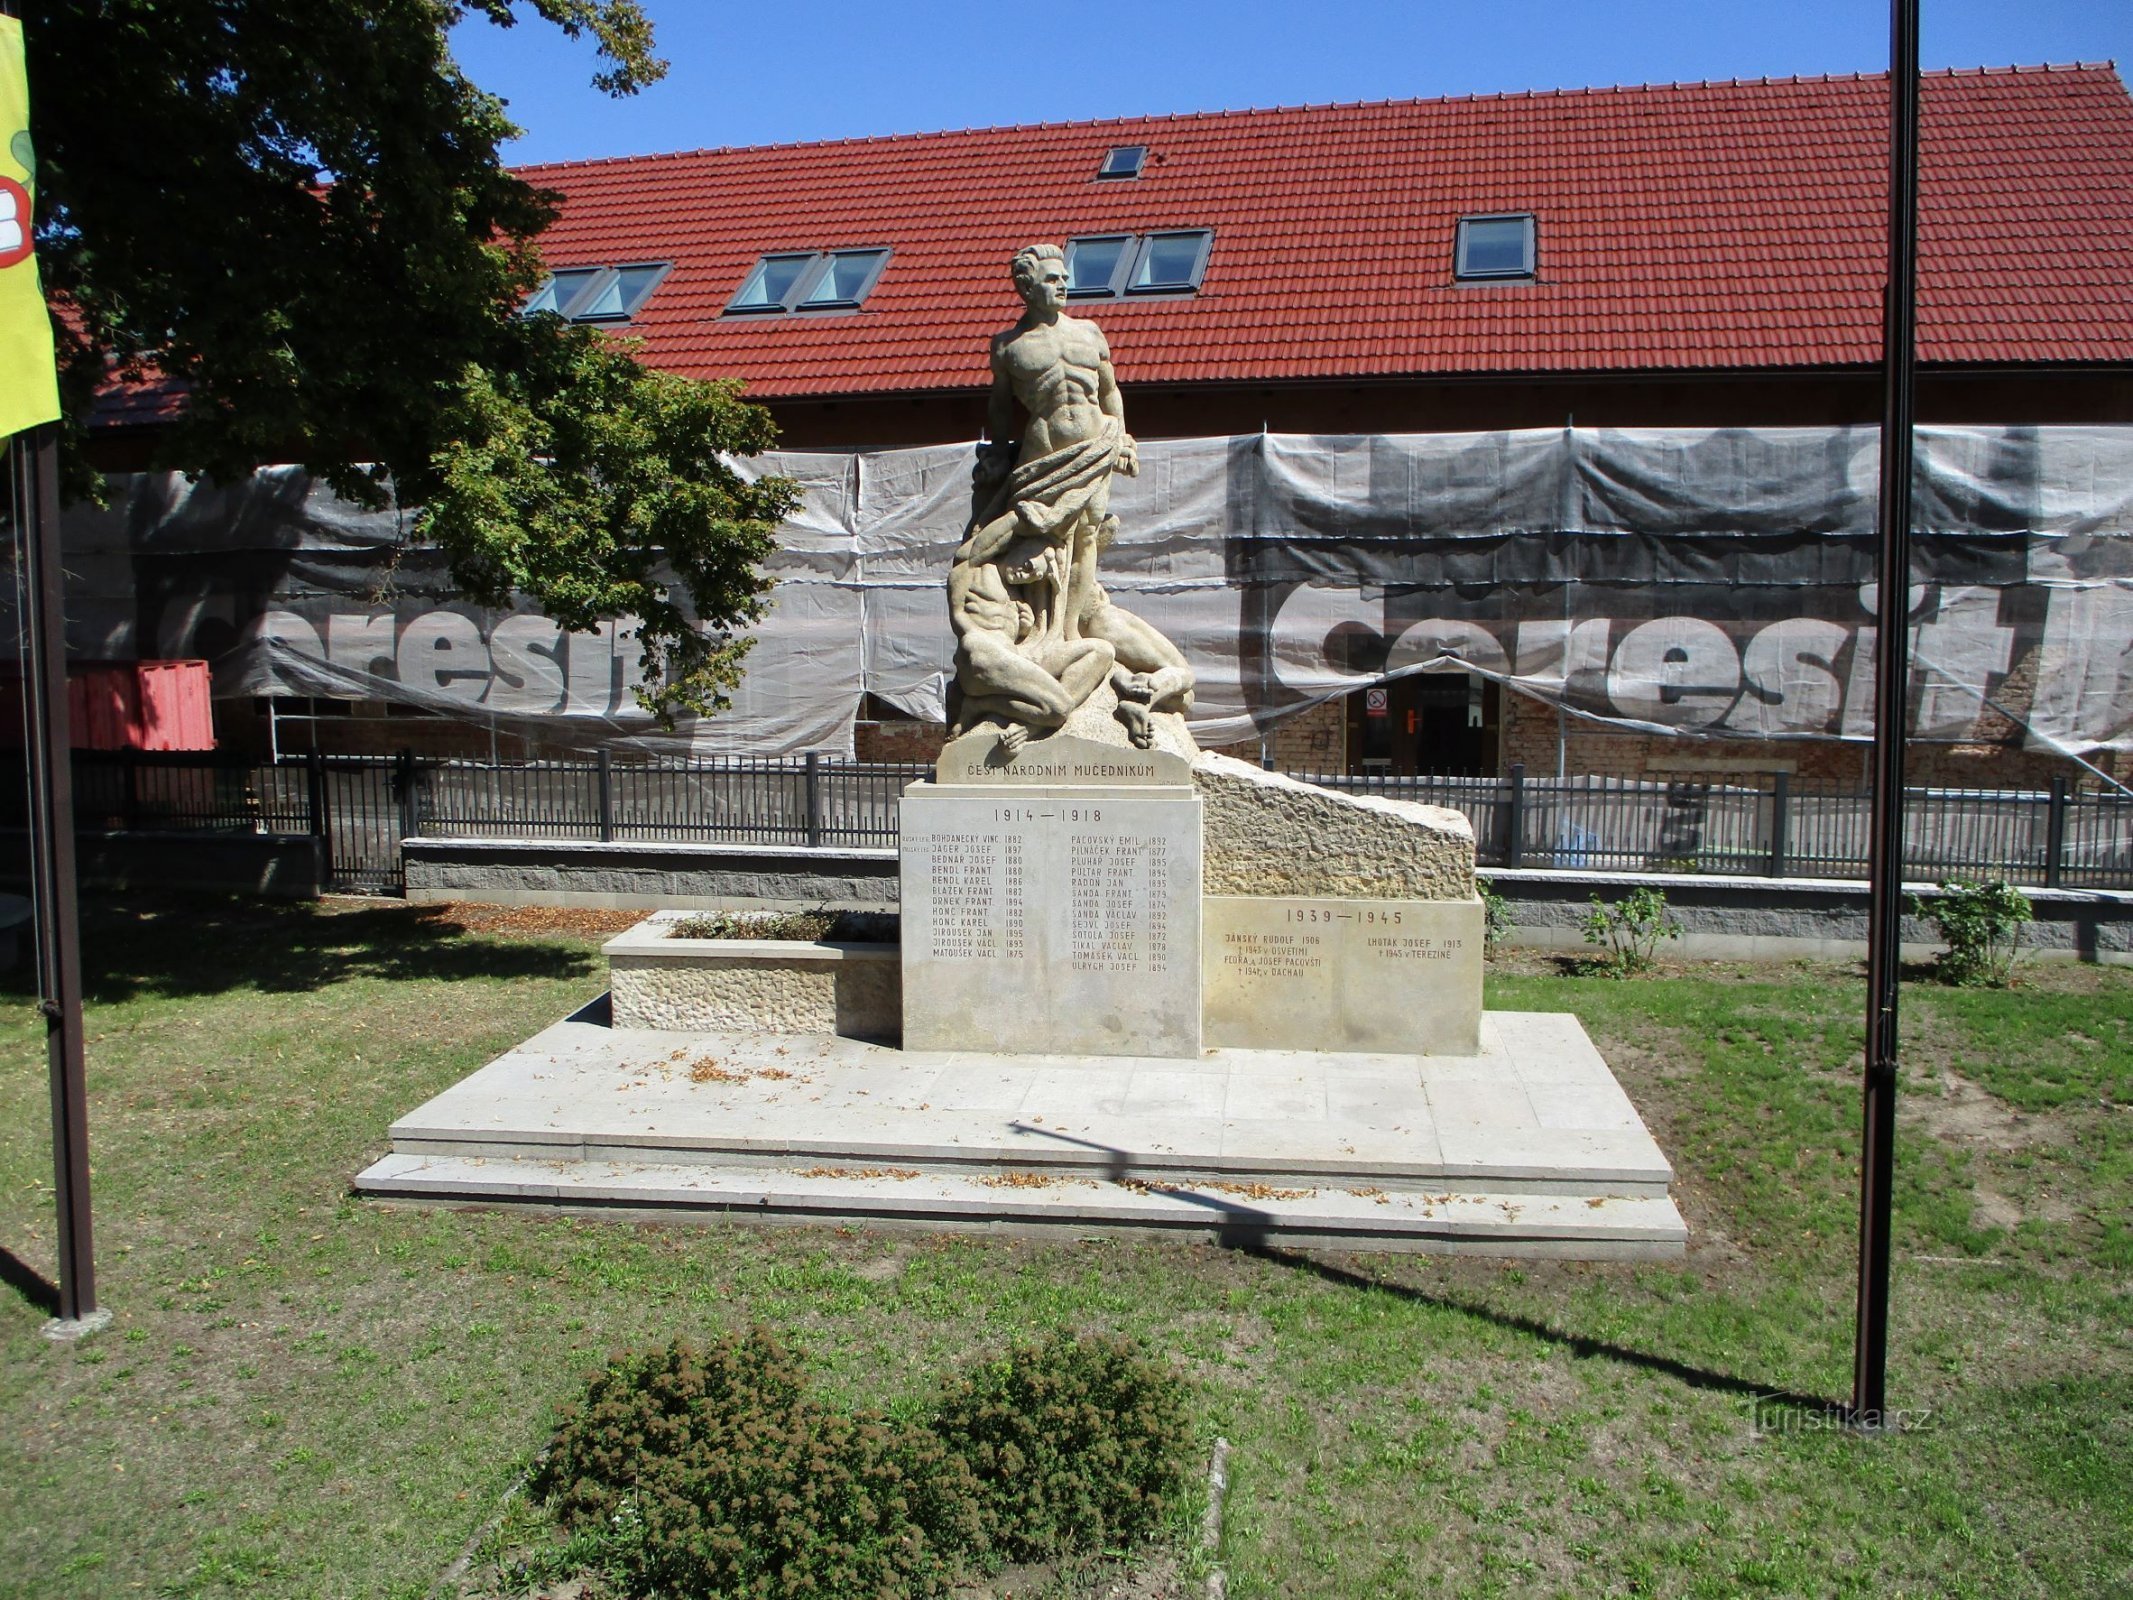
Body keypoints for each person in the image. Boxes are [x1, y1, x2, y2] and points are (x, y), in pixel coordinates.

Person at [946, 245, 1194, 749]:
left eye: (1064, 278)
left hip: (1095, 446)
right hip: (1040, 456)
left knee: (1085, 539)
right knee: (1036, 531)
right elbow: (999, 410)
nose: (1062, 286)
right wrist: (997, 454)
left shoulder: (1090, 333)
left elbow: (1110, 391)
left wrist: (1121, 437)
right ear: (1027, 286)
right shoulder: (1009, 346)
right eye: (1052, 279)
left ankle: (1068, 635)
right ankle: (1040, 634)